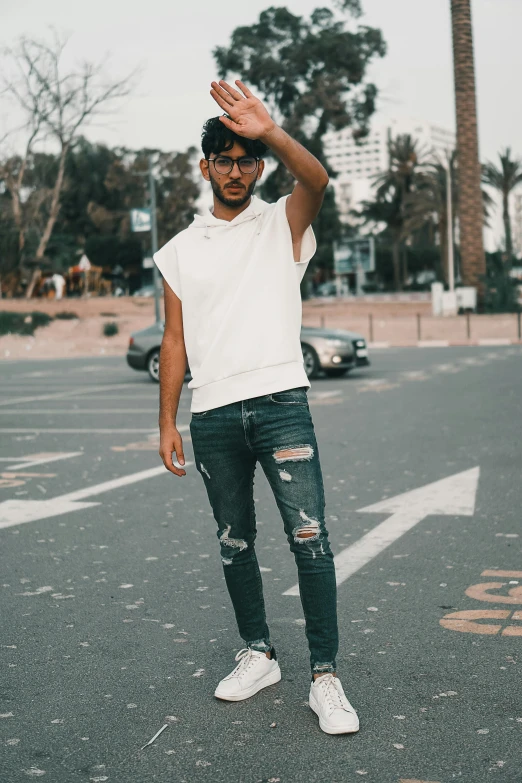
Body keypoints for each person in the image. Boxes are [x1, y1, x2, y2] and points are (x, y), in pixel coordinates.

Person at [154, 79, 359, 735]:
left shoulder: (280, 221)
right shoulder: (181, 248)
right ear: (206, 165)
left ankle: (325, 677)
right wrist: (165, 421)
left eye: (247, 159)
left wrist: (268, 128)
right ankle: (258, 653)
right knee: (234, 542)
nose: (236, 170)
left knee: (311, 538)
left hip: (280, 404)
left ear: (259, 165)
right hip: (212, 416)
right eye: (226, 159)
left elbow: (319, 181)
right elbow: (175, 337)